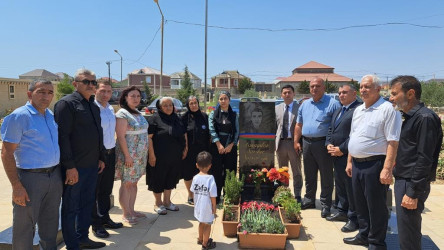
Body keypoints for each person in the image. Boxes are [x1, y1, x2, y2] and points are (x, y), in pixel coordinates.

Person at [0, 80, 62, 250]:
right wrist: (16, 186)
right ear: (29, 94)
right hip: (30, 179)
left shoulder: (49, 115)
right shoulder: (19, 117)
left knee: (50, 225)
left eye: (50, 92)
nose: (46, 96)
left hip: (54, 176)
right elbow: (6, 153)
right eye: (41, 92)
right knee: (24, 228)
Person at [343, 75, 402, 249]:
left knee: (376, 207)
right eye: (361, 87)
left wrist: (387, 168)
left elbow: (393, 141)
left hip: (375, 165)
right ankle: (363, 234)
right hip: (357, 164)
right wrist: (349, 161)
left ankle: (376, 242)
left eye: (367, 87)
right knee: (360, 204)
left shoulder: (388, 110)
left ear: (378, 89)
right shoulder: (359, 110)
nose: (363, 90)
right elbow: (353, 137)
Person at [54, 69, 106, 249]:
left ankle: (83, 237)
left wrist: (100, 157)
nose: (91, 85)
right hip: (74, 167)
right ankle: (72, 244)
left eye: (94, 82)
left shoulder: (92, 105)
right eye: (86, 82)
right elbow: (63, 137)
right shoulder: (66, 104)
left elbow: (97, 133)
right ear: (75, 84)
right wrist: (69, 166)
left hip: (92, 165)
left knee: (87, 203)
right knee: (70, 207)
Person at [389, 76, 443, 250]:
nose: (391, 98)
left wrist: (413, 192)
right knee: (406, 232)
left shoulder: (425, 118)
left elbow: (424, 158)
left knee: (409, 235)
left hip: (411, 184)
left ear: (410, 93)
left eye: (394, 94)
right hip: (404, 181)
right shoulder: (410, 117)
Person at [294, 77, 341, 218]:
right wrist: (297, 141)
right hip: (307, 143)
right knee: (309, 173)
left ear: (324, 88)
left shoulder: (333, 104)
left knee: (326, 175)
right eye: (312, 86)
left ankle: (326, 204)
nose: (314, 88)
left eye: (318, 86)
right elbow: (298, 125)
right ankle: (309, 199)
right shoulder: (304, 105)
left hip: (324, 144)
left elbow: (337, 127)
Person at [325, 84, 361, 232]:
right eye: (339, 93)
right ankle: (342, 211)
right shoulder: (339, 109)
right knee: (340, 185)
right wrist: (328, 144)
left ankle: (353, 218)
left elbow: (356, 134)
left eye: (345, 92)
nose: (341, 95)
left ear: (354, 93)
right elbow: (330, 129)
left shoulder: (358, 110)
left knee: (350, 189)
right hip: (335, 154)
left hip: (348, 156)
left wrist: (342, 149)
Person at [91, 80, 123, 238]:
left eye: (109, 92)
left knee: (106, 190)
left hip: (111, 153)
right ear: (95, 90)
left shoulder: (110, 108)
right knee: (94, 192)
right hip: (98, 156)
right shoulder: (92, 108)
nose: (106, 94)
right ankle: (96, 225)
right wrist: (98, 157)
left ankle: (105, 218)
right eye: (102, 91)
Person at [147, 97, 187, 215]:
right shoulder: (154, 119)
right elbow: (149, 138)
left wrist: (185, 148)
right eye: (165, 105)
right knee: (158, 178)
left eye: (170, 105)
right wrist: (151, 155)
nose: (168, 107)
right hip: (159, 156)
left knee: (171, 178)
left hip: (175, 156)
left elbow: (183, 134)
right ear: (160, 107)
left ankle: (167, 202)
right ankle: (158, 203)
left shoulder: (177, 118)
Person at [208, 91, 239, 203]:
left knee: (229, 171)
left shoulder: (234, 115)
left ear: (229, 100)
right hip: (216, 146)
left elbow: (237, 131)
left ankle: (228, 195)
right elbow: (211, 129)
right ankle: (215, 196)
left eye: (225, 98)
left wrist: (231, 144)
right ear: (218, 101)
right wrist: (218, 144)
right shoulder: (213, 114)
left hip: (230, 146)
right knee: (216, 171)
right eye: (221, 99)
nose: (223, 101)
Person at [275, 85, 302, 203]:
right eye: (284, 93)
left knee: (296, 171)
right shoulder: (276, 108)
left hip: (293, 144)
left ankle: (297, 195)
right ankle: (284, 194)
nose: (287, 95)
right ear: (281, 95)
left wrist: (299, 142)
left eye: (289, 92)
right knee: (282, 171)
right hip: (280, 144)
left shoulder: (299, 108)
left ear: (293, 94)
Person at [181, 96, 210, 205]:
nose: (193, 105)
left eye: (195, 103)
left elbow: (209, 134)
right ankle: (191, 195)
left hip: (203, 151)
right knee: (188, 174)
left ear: (198, 104)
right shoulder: (184, 118)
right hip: (189, 151)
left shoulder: (204, 116)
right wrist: (184, 149)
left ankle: (201, 194)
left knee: (202, 172)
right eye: (191, 103)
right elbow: (182, 135)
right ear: (188, 105)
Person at [190, 151, 217, 250]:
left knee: (201, 223)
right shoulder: (210, 179)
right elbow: (213, 195)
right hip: (207, 206)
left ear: (197, 165)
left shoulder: (195, 178)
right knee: (208, 225)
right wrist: (214, 207)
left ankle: (200, 238)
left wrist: (195, 202)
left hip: (198, 206)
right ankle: (205, 244)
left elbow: (193, 192)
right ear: (210, 166)